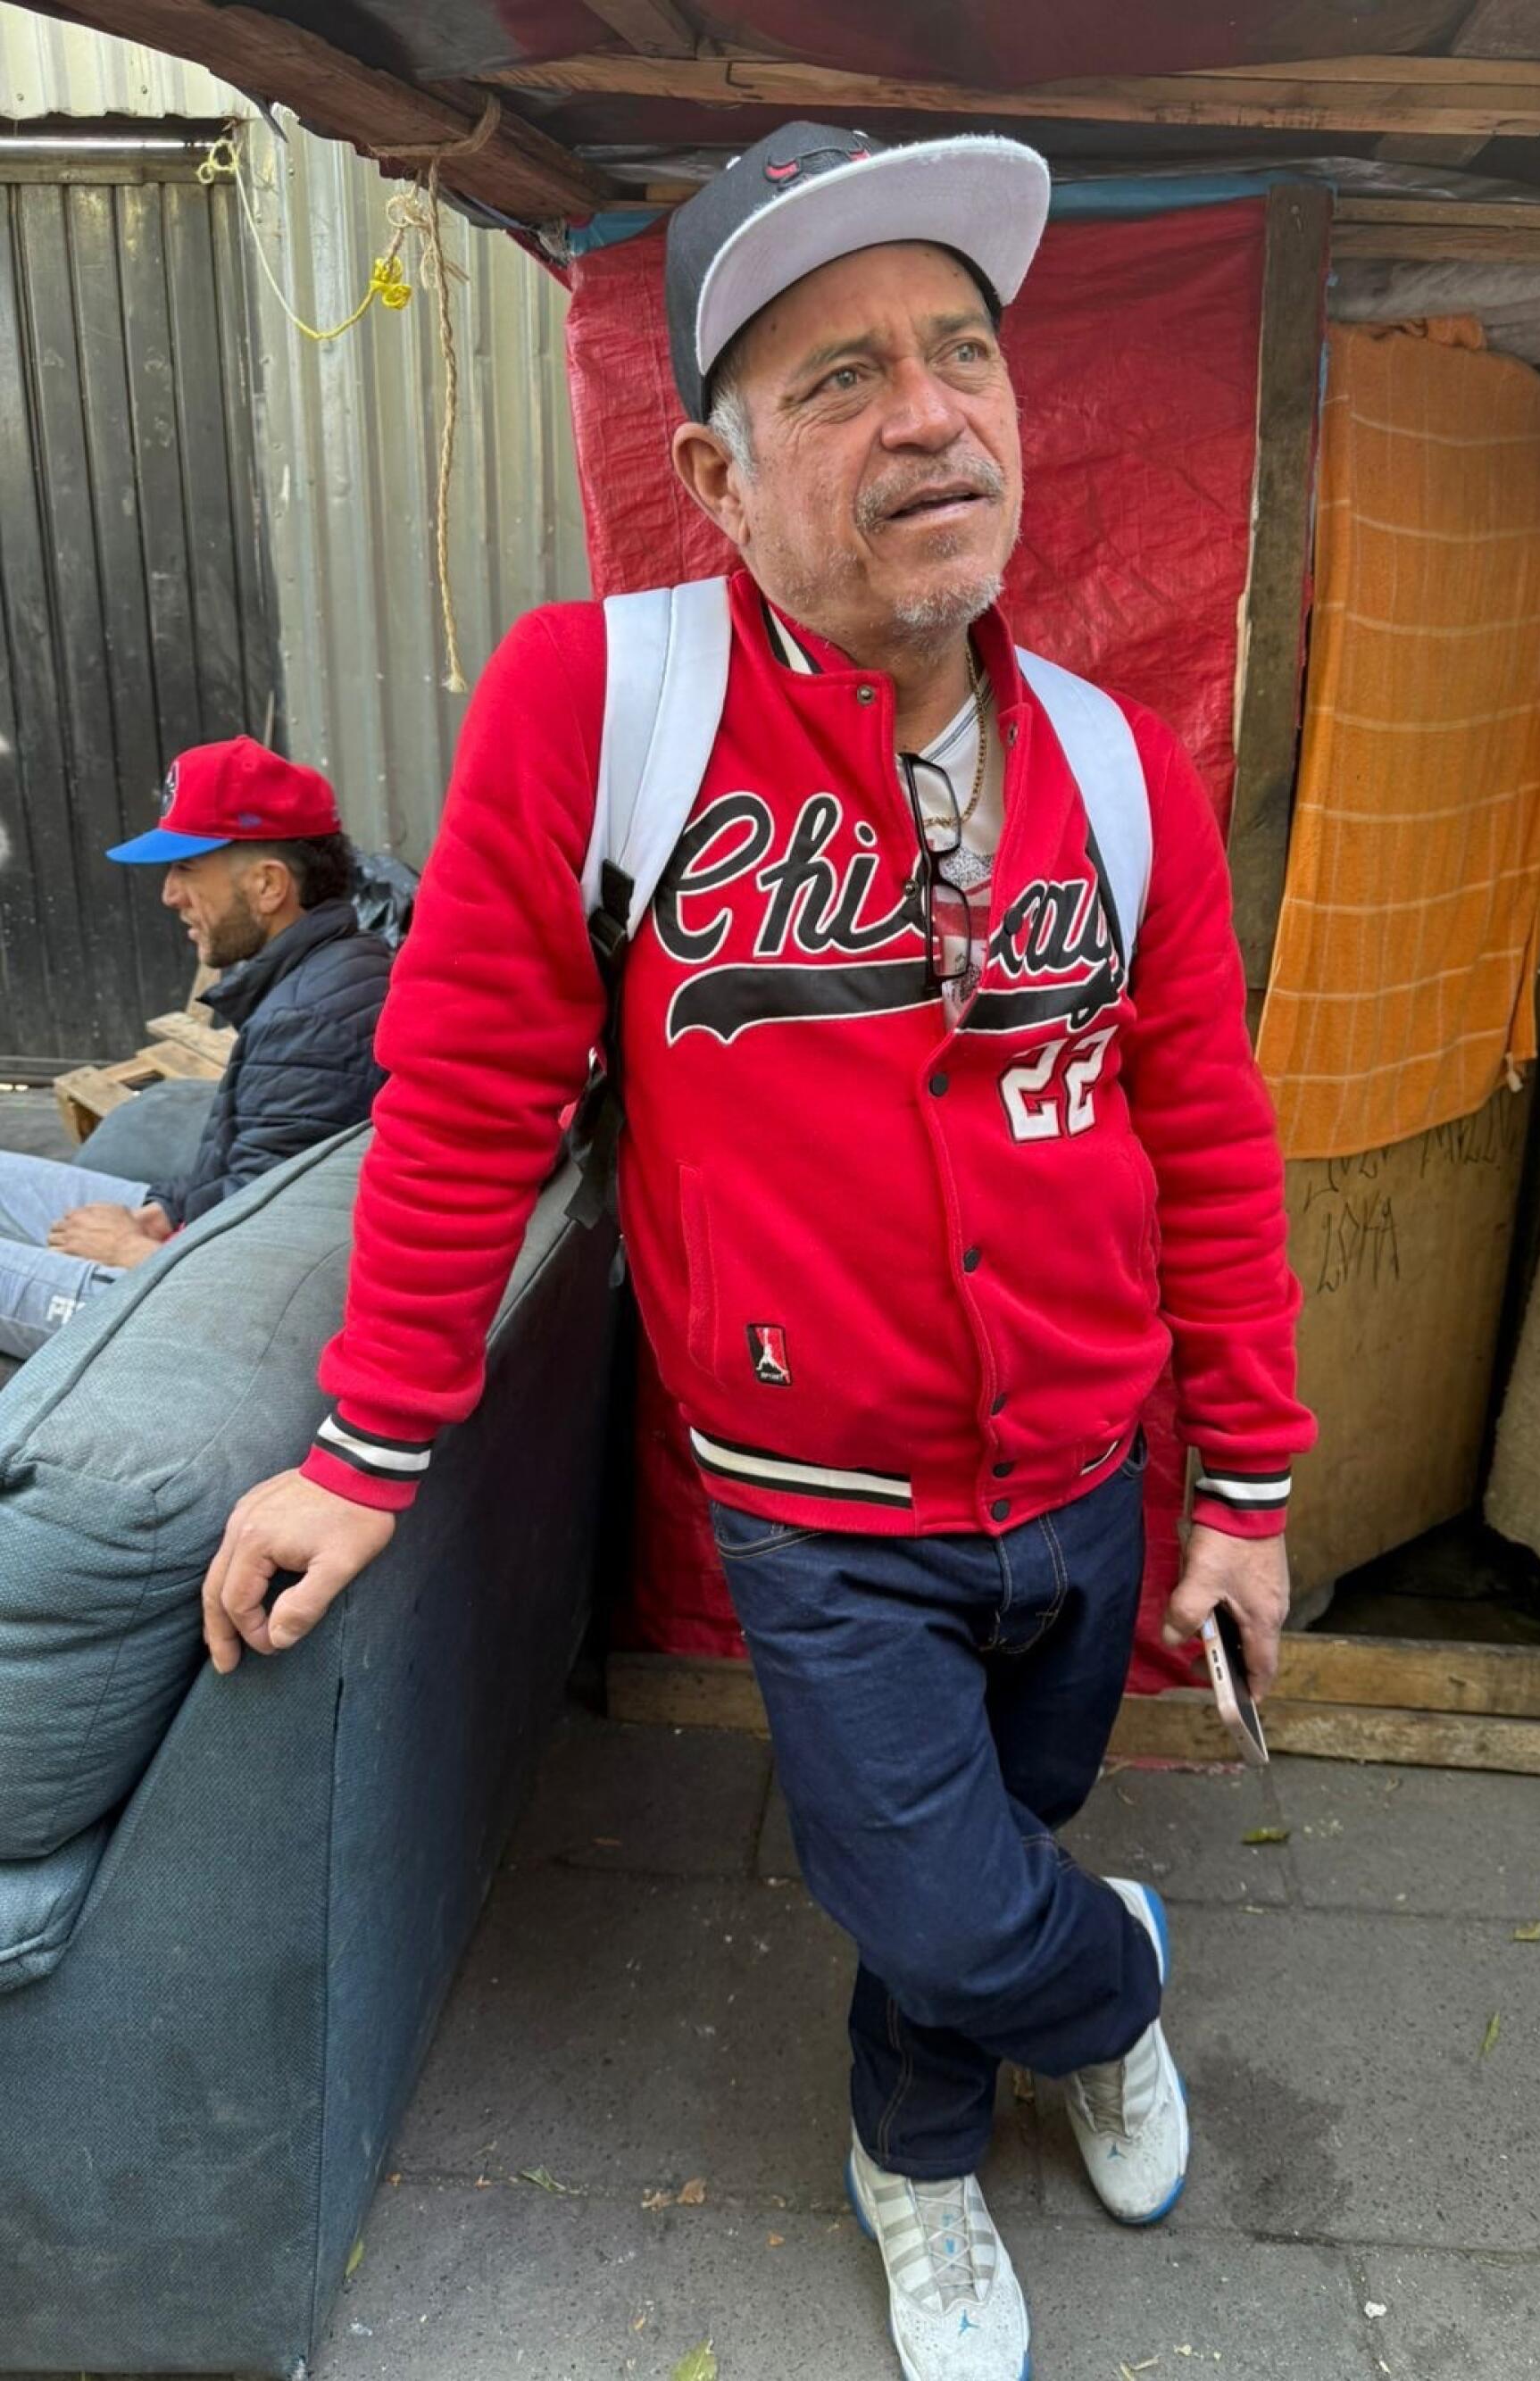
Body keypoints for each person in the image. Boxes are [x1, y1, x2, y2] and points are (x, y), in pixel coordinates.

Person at [202, 125, 1315, 2380]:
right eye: (834, 379)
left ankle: (918, 2131)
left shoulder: (1113, 773)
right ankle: (1093, 1996)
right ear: (712, 479)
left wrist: (1245, 1493)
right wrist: (364, 1444)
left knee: (990, 1838)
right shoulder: (597, 711)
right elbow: (465, 1098)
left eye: (959, 352)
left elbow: (1200, 1131)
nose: (927, 409)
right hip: (827, 1509)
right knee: (930, 1884)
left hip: (1089, 1479)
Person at [0, 739, 390, 1362]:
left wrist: (133, 1248)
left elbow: (264, 1271)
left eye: (186, 867)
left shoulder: (310, 1022)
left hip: (184, 1307)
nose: (169, 894)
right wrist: (166, 1207)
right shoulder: (327, 971)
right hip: (186, 1248)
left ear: (268, 885)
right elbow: (248, 1176)